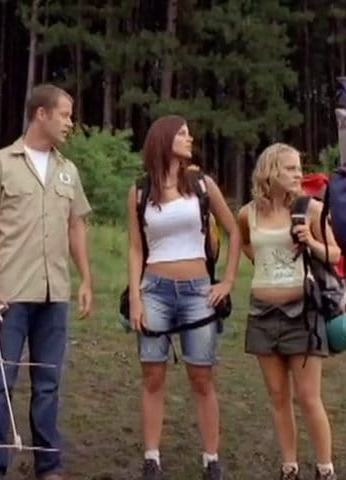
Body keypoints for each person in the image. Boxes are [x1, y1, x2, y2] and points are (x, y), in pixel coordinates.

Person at [0, 84, 93, 480]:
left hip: (55, 294)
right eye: (65, 115)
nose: (70, 123)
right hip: (10, 292)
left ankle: (48, 466)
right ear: (41, 114)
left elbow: (76, 226)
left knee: (48, 383)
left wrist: (86, 279)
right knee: (0, 382)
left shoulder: (68, 171)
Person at [127, 115, 241, 480]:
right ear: (163, 139)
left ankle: (211, 459)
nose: (190, 138)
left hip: (198, 293)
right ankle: (151, 458)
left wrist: (228, 281)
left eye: (190, 133)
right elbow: (135, 248)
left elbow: (235, 230)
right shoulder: (140, 191)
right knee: (153, 375)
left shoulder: (202, 184)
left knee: (202, 377)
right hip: (154, 291)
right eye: (182, 133)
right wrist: (135, 299)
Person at [238, 144, 340, 480]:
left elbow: (336, 254)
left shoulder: (311, 209)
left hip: (303, 315)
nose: (299, 174)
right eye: (291, 169)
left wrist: (311, 242)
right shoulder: (247, 213)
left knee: (309, 397)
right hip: (262, 314)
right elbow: (248, 244)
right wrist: (269, 267)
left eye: (299, 168)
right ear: (271, 172)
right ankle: (289, 466)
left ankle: (325, 468)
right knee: (278, 396)